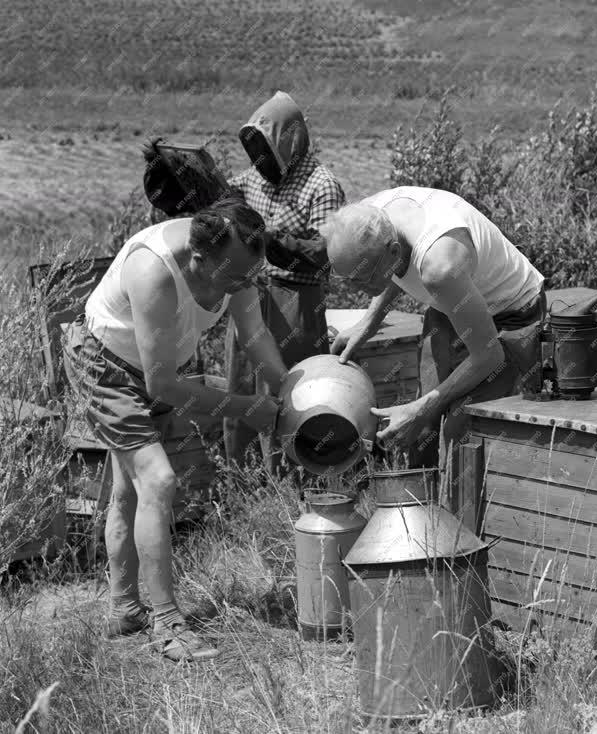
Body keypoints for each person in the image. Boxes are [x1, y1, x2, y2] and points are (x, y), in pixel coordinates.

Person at [63, 203, 287, 662]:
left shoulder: (235, 260)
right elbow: (161, 384)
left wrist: (291, 393)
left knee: (131, 489)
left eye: (250, 276)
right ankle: (168, 626)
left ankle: (125, 609)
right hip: (103, 365)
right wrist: (247, 409)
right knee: (158, 480)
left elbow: (255, 334)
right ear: (198, 260)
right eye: (235, 279)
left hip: (156, 365)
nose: (244, 286)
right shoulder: (155, 271)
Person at [321, 186, 546, 467]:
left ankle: (461, 510)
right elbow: (395, 268)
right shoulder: (366, 220)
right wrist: (367, 323)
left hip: (512, 314)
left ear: (393, 251)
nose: (358, 291)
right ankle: (417, 506)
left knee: (462, 430)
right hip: (451, 304)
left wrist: (421, 410)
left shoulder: (440, 267)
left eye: (363, 279)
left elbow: (489, 356)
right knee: (421, 429)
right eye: (347, 280)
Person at [225, 90, 346, 470]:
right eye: (255, 153)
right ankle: (242, 479)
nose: (261, 162)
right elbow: (224, 200)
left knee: (291, 393)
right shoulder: (252, 181)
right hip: (249, 296)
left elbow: (326, 252)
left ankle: (293, 481)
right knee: (243, 388)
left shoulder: (321, 185)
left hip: (297, 302)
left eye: (268, 150)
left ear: (289, 141)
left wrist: (279, 240)